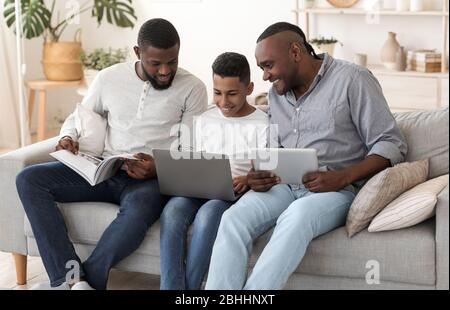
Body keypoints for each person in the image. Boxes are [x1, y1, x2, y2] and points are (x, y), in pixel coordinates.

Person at [205, 22, 408, 290]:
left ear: (296, 52)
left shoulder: (353, 79)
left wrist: (341, 177)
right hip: (283, 185)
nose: (265, 76)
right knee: (233, 219)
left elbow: (391, 143)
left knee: (298, 215)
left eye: (269, 65)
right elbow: (272, 149)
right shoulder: (277, 94)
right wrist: (258, 174)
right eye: (262, 68)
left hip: (335, 190)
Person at [15, 18, 207, 290]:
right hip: (104, 170)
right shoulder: (109, 78)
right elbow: (79, 117)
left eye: (172, 61)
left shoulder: (192, 88)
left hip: (152, 180)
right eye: (156, 63)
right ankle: (69, 279)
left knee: (137, 212)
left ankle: (78, 283)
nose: (165, 71)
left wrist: (157, 168)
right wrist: (68, 136)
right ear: (138, 53)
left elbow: (190, 152)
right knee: (29, 180)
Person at [159, 52, 268, 290]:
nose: (223, 101)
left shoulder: (263, 123)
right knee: (172, 211)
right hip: (199, 187)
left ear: (249, 88)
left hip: (231, 192)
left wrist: (248, 180)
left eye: (232, 93)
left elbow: (267, 169)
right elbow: (194, 158)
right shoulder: (205, 119)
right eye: (217, 93)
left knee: (208, 214)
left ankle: (190, 289)